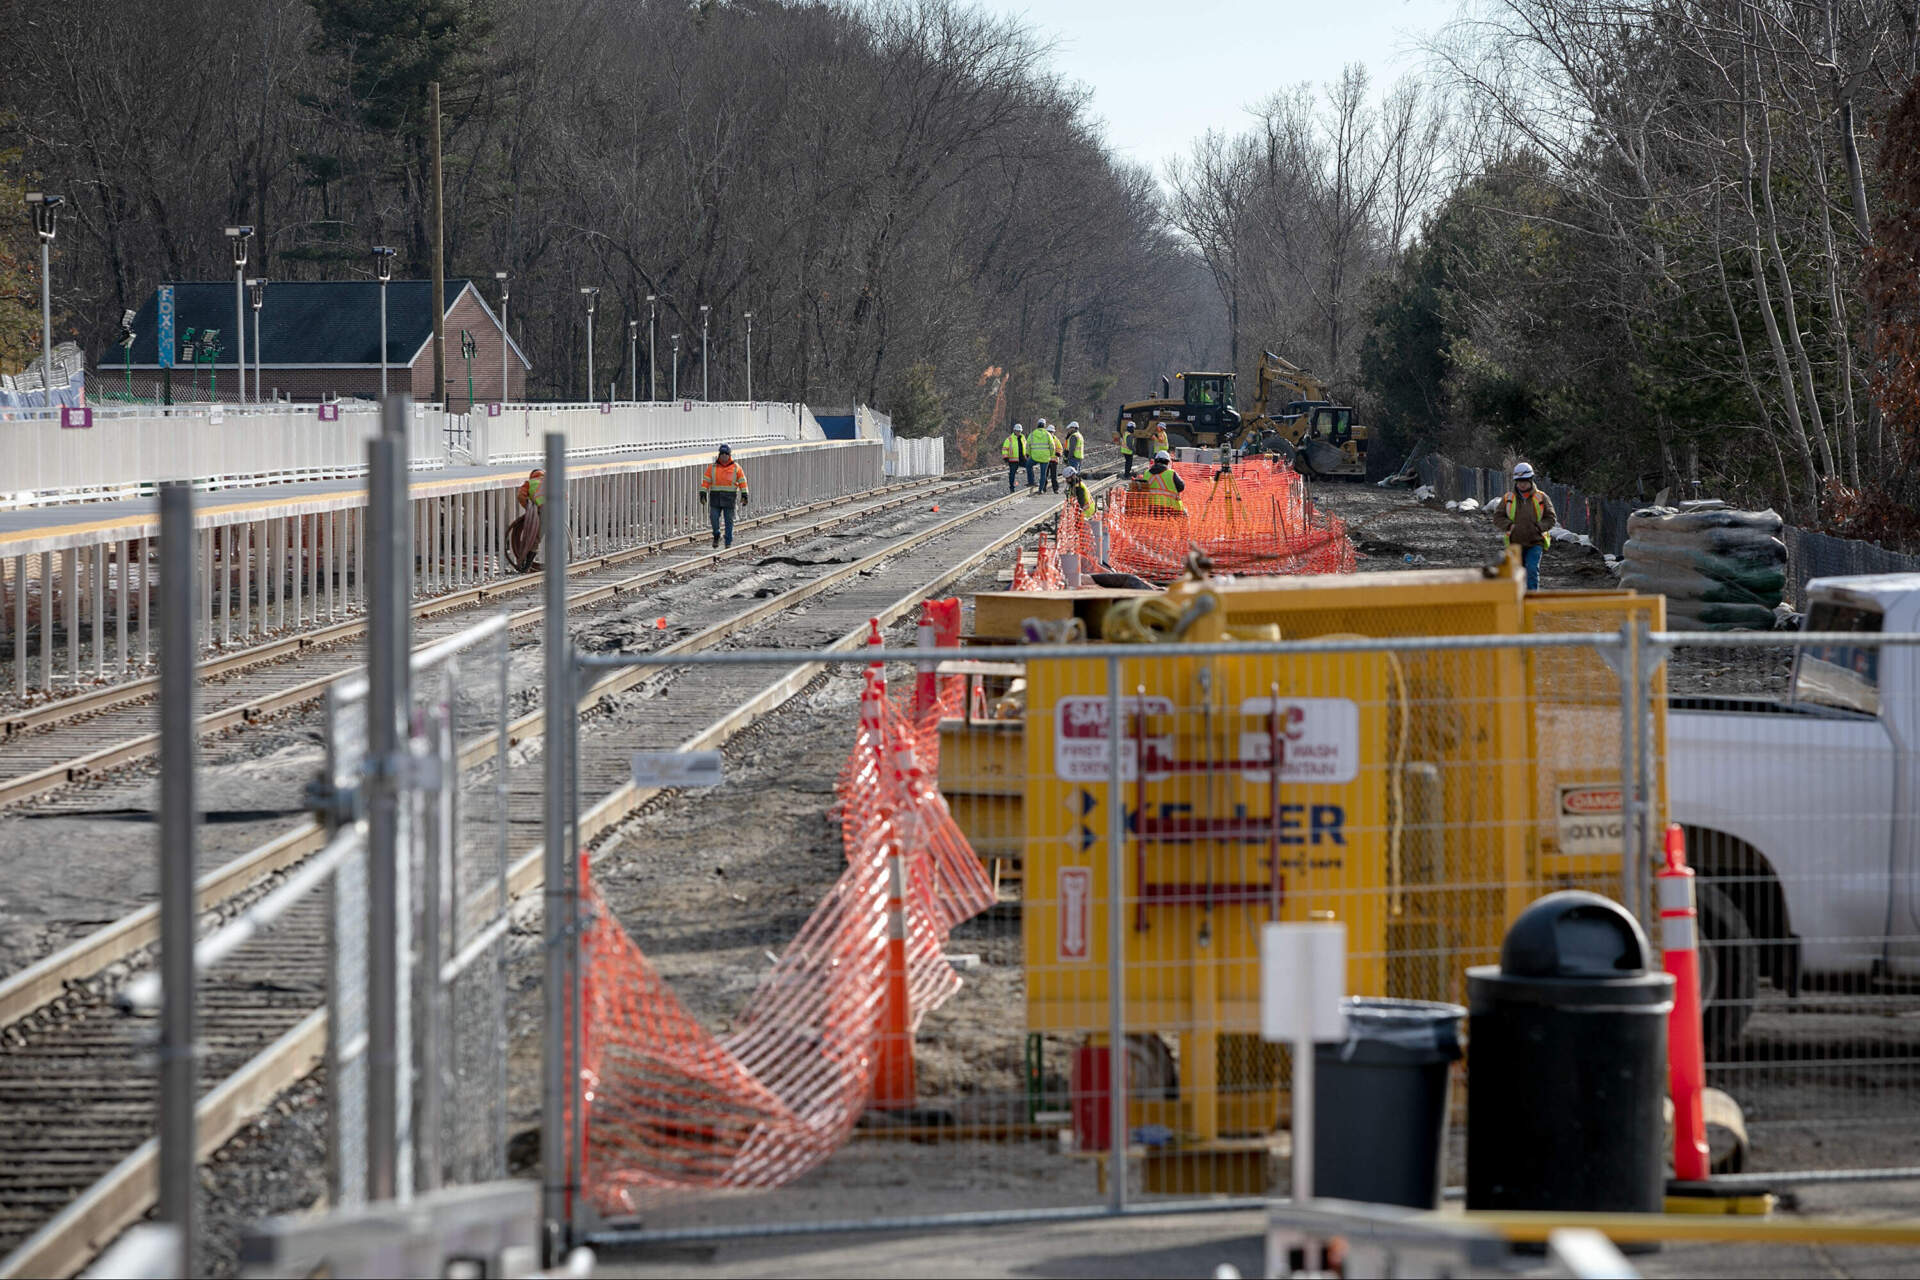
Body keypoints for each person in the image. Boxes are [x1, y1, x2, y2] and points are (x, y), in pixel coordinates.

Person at [1494, 461, 1556, 590]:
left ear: (1531, 479)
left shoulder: (1541, 497)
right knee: (1517, 575)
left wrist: (1539, 527)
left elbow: (1551, 518)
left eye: (1525, 480)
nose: (1522, 484)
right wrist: (1509, 526)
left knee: (1532, 570)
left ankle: (1532, 599)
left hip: (1535, 542)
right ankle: (1519, 601)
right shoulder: (1508, 498)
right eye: (1519, 481)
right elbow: (1498, 517)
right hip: (1515, 544)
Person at [698, 443, 750, 548]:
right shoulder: (712, 467)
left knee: (729, 520)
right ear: (719, 454)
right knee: (714, 518)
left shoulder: (736, 467)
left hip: (729, 498)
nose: (724, 456)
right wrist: (703, 492)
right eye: (722, 453)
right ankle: (716, 534)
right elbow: (706, 481)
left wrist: (744, 494)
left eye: (726, 453)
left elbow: (742, 482)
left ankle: (728, 541)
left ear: (729, 455)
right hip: (715, 497)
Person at [507, 467, 545, 572]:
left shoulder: (529, 483)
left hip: (542, 512)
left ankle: (526, 566)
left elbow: (520, 496)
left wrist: (529, 508)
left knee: (533, 538)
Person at [1144, 450, 1185, 515]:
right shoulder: (1171, 473)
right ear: (1168, 462)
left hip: (1150, 508)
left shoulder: (1146, 473)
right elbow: (1181, 487)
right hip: (1170, 508)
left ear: (1155, 461)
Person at [1027, 419, 1060, 494]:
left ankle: (1031, 481)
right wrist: (1050, 455)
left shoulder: (1032, 433)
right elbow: (1052, 446)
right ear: (1044, 426)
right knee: (1043, 474)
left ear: (1037, 425)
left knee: (1028, 465)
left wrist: (1028, 454)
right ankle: (1040, 490)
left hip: (1035, 456)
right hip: (1045, 458)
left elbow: (1028, 445)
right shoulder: (1048, 434)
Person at [1002, 423, 1030, 492]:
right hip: (1013, 459)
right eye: (1017, 431)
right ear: (1014, 431)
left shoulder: (1023, 438)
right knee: (1012, 474)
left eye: (1019, 431)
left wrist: (1027, 454)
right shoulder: (1009, 439)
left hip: (1022, 458)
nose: (1018, 432)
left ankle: (1031, 482)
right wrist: (1005, 457)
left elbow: (1026, 447)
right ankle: (1012, 488)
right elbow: (1004, 449)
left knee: (1029, 467)